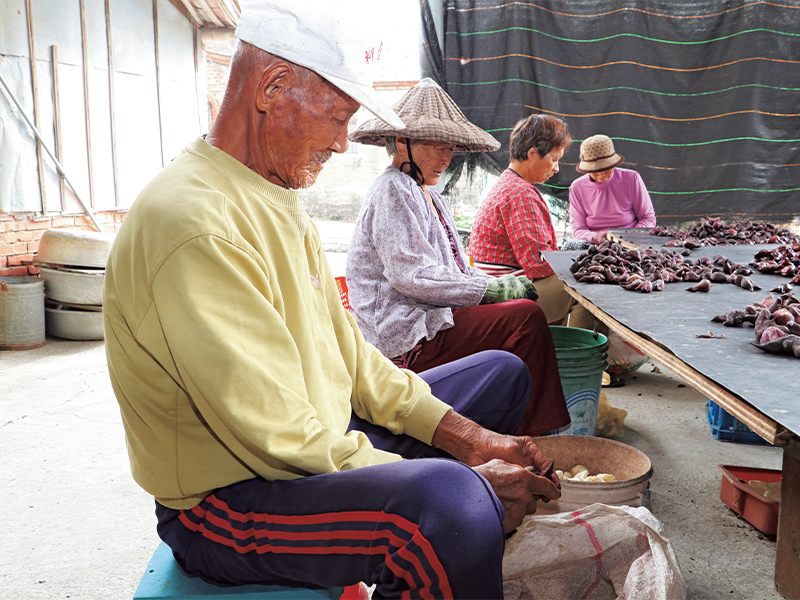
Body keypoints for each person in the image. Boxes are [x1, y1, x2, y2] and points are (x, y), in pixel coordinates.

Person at [102, 3, 562, 599]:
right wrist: (465, 477)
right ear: (273, 89)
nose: (344, 144)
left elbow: (351, 355)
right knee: (452, 507)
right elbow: (280, 439)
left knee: (500, 375)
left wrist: (471, 440)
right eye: (339, 118)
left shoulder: (271, 193)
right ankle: (446, 541)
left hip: (310, 436)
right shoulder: (193, 224)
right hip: (228, 503)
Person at [345, 79, 570, 437]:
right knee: (524, 318)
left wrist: (492, 286)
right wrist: (491, 292)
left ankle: (513, 427)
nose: (446, 157)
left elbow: (457, 270)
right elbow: (412, 278)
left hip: (436, 318)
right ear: (402, 142)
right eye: (436, 146)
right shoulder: (392, 189)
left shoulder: (431, 196)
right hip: (406, 335)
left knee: (521, 317)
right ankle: (534, 436)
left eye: (450, 147)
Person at [468, 114, 596, 330]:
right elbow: (538, 267)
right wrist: (578, 258)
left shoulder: (506, 184)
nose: (556, 168)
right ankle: (574, 356)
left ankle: (552, 348)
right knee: (588, 283)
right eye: (554, 160)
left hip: (494, 287)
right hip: (505, 298)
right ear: (533, 153)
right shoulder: (521, 193)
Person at [567, 134, 657, 246]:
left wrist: (627, 236)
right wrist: (595, 237)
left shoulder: (632, 178)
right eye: (595, 170)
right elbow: (578, 229)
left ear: (613, 164)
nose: (601, 175)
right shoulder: (577, 187)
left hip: (631, 240)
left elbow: (648, 219)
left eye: (606, 169)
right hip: (595, 243)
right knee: (570, 245)